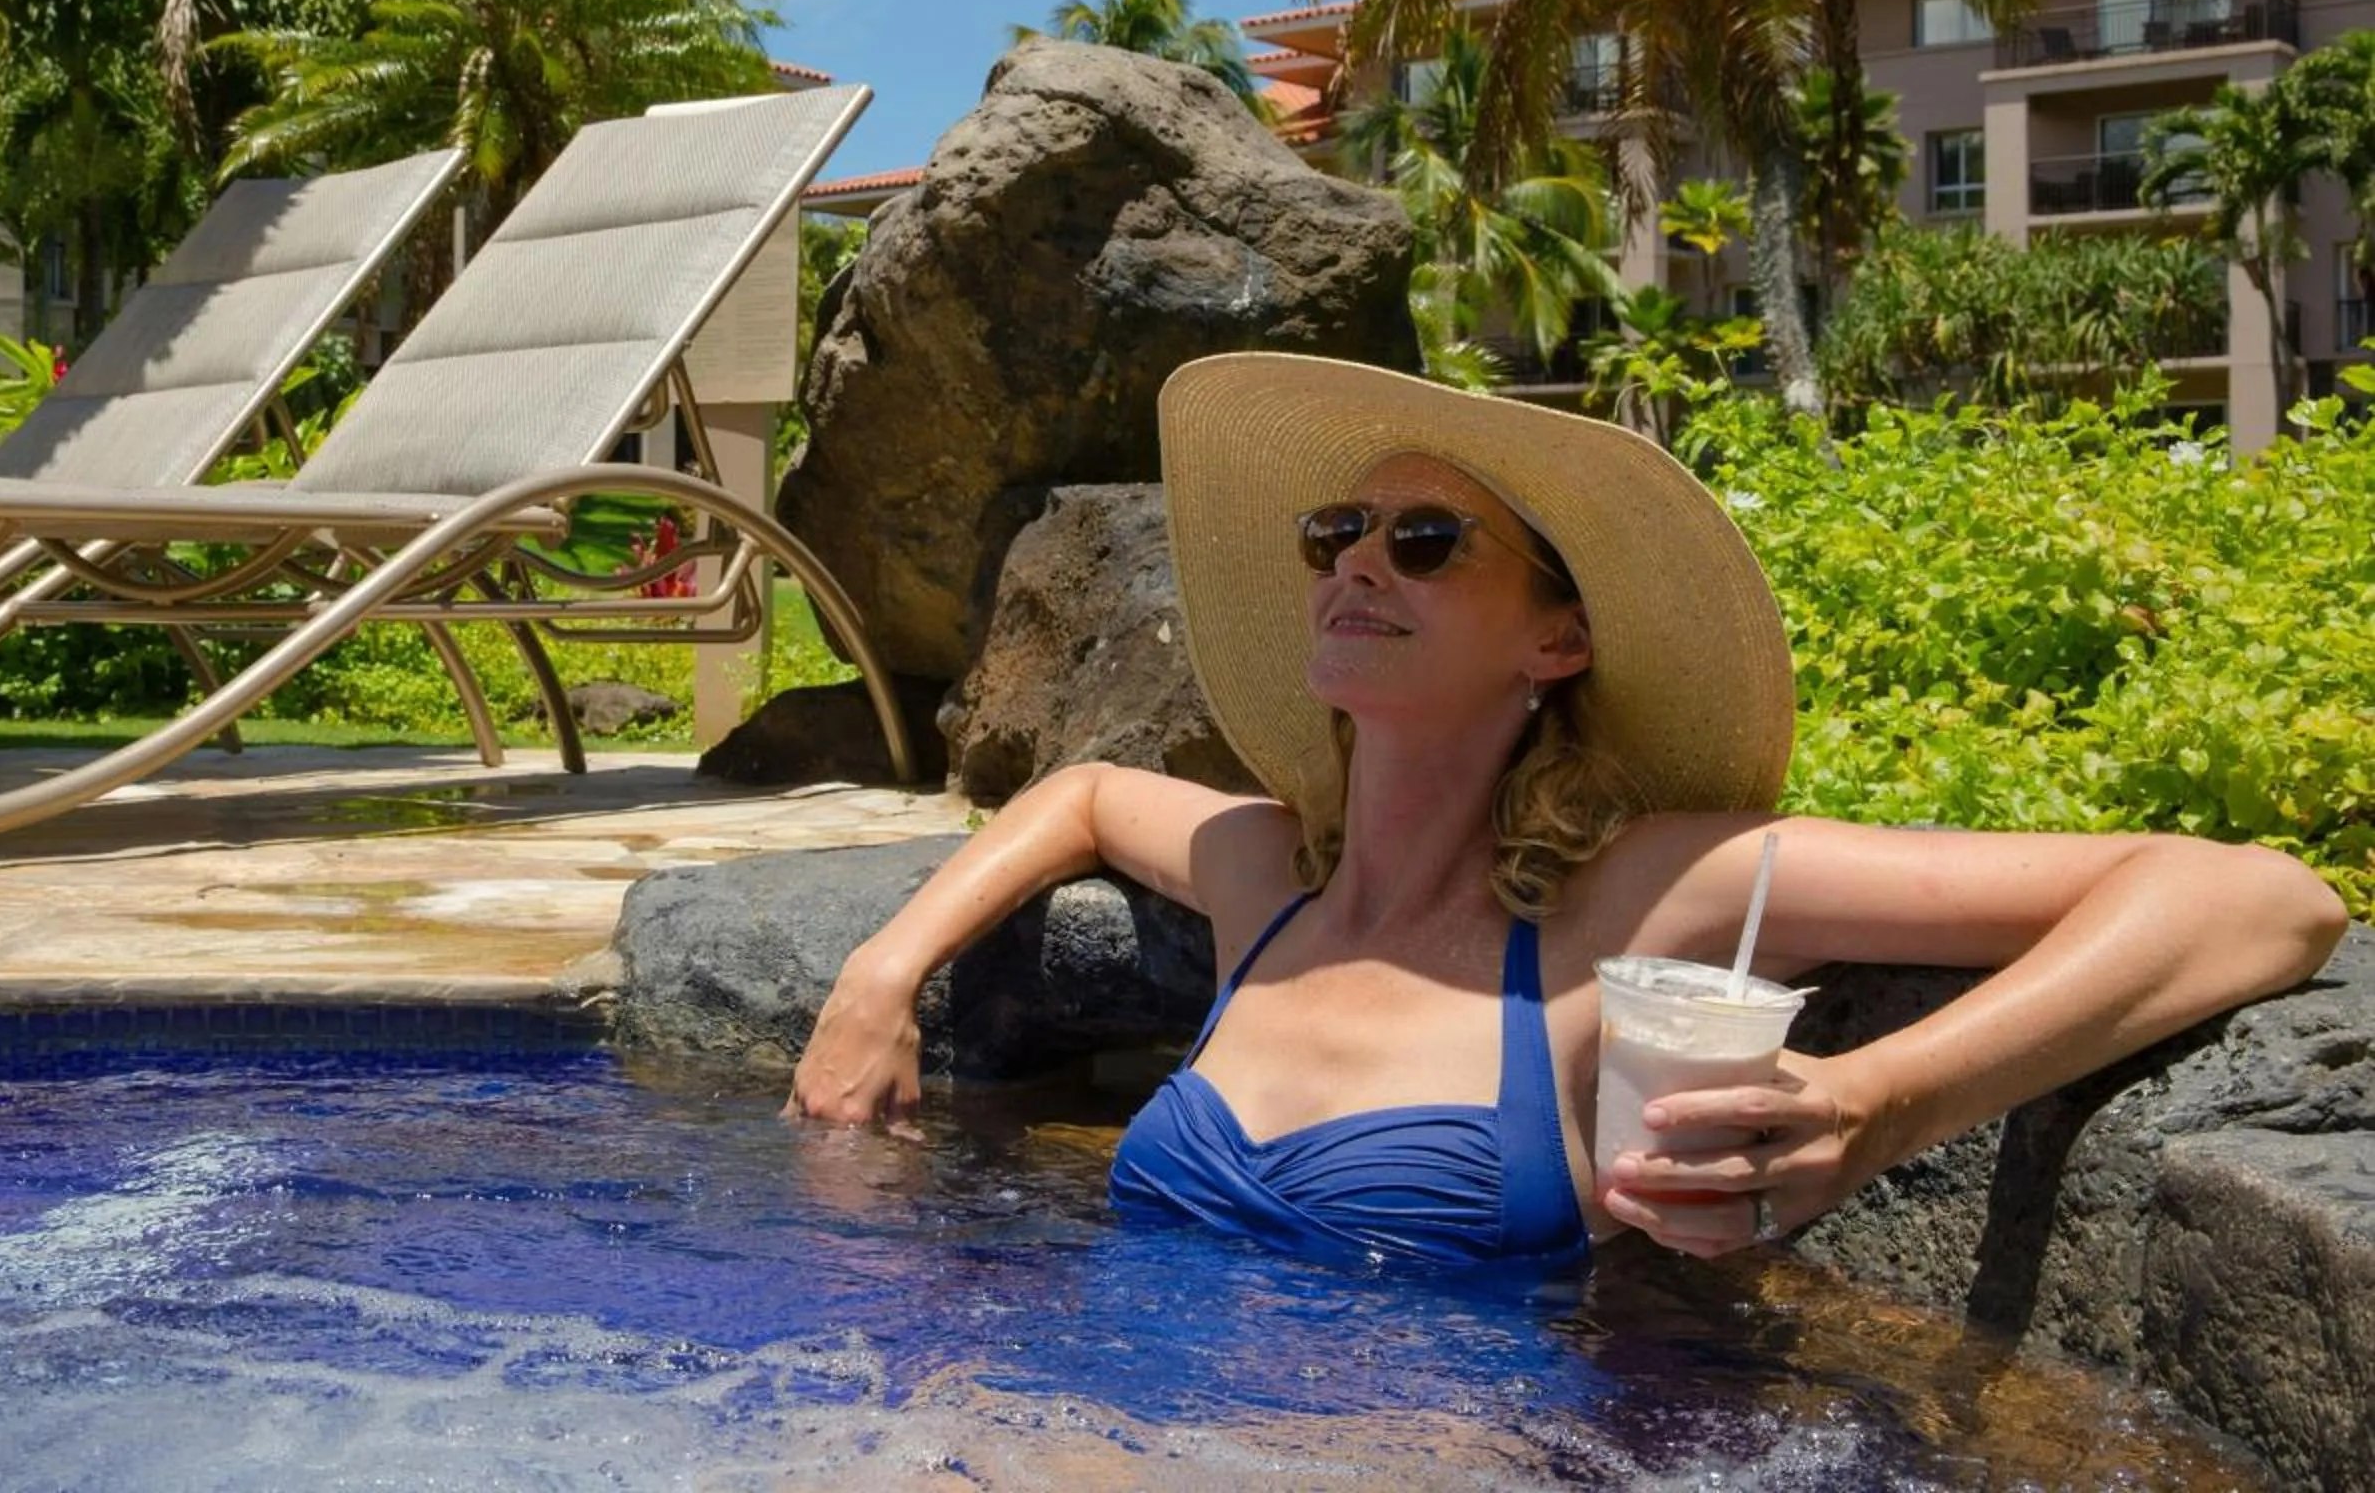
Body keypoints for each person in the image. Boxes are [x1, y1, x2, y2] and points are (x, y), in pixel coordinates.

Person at [787, 354, 2347, 1273]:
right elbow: (1074, 794)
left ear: (1559, 640)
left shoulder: (1634, 903)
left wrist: (1882, 1104)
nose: (1354, 564)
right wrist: (879, 980)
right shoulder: (1272, 876)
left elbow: (2262, 899)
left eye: (1426, 539)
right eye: (1338, 531)